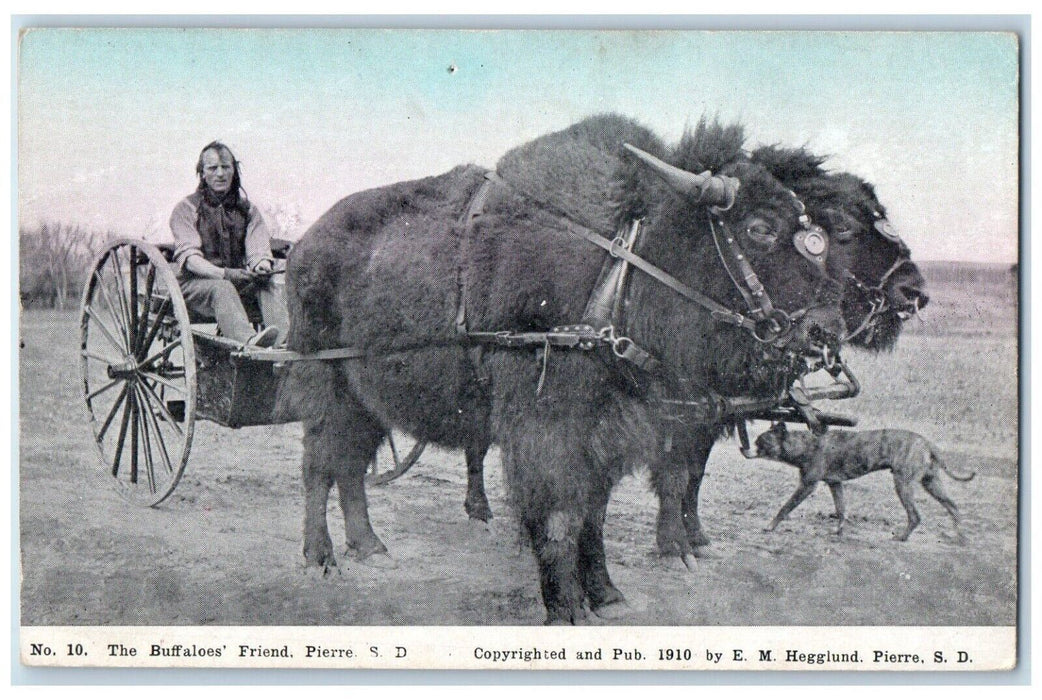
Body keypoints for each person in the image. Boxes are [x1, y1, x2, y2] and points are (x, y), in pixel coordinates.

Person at [170, 141, 288, 348]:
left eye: (226, 167)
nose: (220, 174)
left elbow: (258, 249)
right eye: (213, 168)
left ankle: (284, 343)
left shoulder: (248, 211)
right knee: (221, 287)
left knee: (265, 285)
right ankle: (249, 343)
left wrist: (261, 267)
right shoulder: (186, 209)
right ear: (202, 173)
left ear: (234, 171)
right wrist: (226, 274)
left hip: (234, 283)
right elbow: (192, 261)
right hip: (192, 287)